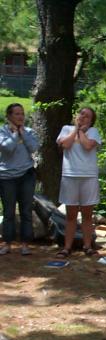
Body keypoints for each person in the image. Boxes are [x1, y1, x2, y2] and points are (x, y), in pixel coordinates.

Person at [55, 107, 103, 257]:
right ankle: (67, 247)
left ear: (91, 121)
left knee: (87, 215)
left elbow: (87, 146)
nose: (83, 117)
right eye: (82, 114)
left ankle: (87, 246)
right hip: (70, 176)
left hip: (89, 176)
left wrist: (82, 132)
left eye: (87, 116)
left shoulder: (93, 132)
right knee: (71, 215)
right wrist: (76, 129)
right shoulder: (66, 129)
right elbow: (65, 144)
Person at [0, 103, 39, 256]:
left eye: (22, 113)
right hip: (6, 177)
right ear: (9, 116)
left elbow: (33, 147)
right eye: (17, 114)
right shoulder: (2, 131)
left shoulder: (29, 131)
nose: (20, 116)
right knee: (9, 212)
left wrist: (23, 133)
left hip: (26, 175)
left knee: (26, 211)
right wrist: (16, 133)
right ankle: (7, 243)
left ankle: (25, 244)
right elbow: (8, 148)